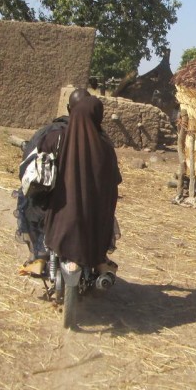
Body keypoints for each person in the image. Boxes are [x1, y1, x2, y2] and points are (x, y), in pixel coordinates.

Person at [15, 88, 91, 275]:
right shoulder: (100, 139)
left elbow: (28, 170)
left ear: (67, 108)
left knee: (26, 200)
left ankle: (39, 254)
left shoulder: (51, 134)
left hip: (49, 204)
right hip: (87, 205)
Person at [44, 94, 122, 273]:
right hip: (95, 220)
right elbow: (115, 181)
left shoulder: (58, 139)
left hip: (63, 218)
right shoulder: (105, 147)